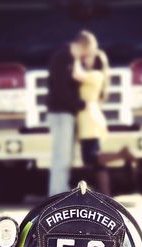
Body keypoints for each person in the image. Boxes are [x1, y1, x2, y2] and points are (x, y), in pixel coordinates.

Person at [72, 49, 136, 195]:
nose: (85, 61)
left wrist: (76, 57)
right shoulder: (96, 76)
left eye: (89, 58)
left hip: (89, 120)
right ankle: (106, 195)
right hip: (89, 118)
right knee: (97, 164)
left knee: (91, 158)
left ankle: (121, 154)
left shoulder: (95, 75)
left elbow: (76, 74)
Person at [47, 31, 98, 196]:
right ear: (84, 46)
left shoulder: (70, 58)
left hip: (65, 113)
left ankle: (59, 192)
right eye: (89, 51)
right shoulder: (63, 58)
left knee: (65, 157)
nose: (88, 55)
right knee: (61, 157)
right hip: (61, 113)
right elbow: (61, 88)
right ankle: (56, 194)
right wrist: (81, 104)